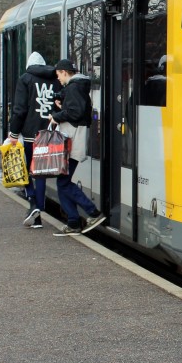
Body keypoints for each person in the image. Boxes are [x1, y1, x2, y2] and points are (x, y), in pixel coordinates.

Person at [49, 59, 105, 235]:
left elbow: (75, 111)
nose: (57, 78)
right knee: (63, 181)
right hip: (75, 139)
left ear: (65, 72)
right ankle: (73, 221)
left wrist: (56, 117)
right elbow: (76, 106)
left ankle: (92, 212)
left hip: (71, 141)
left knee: (63, 182)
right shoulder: (77, 86)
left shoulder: (74, 87)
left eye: (58, 74)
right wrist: (60, 99)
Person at [4, 52, 60, 229]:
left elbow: (20, 109)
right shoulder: (55, 79)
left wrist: (13, 133)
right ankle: (38, 211)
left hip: (30, 134)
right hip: (49, 132)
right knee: (41, 173)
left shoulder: (25, 79)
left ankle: (33, 204)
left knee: (26, 170)